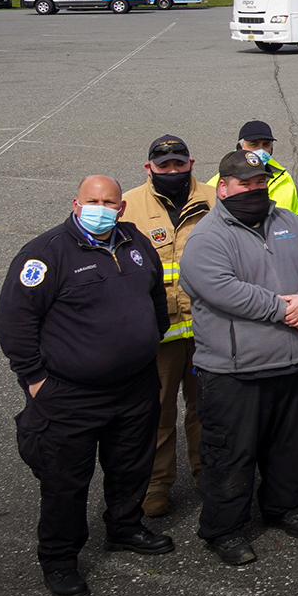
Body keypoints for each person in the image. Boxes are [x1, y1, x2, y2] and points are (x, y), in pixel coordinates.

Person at [0, 174, 172, 596]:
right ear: (76, 204)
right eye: (92, 200)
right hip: (70, 394)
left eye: (109, 201)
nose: (100, 208)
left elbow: (154, 299)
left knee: (131, 466)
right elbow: (14, 323)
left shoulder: (134, 242)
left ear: (121, 208)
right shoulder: (45, 254)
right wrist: (35, 379)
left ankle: (125, 527)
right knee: (65, 481)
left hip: (134, 387)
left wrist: (144, 342)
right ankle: (59, 559)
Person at [181, 151, 298, 565]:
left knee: (291, 445)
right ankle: (223, 529)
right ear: (224, 187)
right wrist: (280, 308)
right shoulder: (206, 236)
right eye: (245, 184)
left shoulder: (287, 222)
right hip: (235, 372)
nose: (254, 190)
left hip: (295, 362)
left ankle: (283, 507)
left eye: (259, 182)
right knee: (231, 453)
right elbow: (218, 287)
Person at [119, 134, 216, 519]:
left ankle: (207, 475)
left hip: (208, 328)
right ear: (149, 168)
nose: (172, 171)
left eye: (179, 164)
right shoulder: (129, 207)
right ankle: (157, 485)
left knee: (206, 410)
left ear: (191, 163)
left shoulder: (214, 198)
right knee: (156, 414)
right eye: (164, 166)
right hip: (159, 337)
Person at [205, 120, 298, 214]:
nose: (261, 150)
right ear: (240, 147)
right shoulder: (217, 184)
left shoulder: (284, 178)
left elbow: (296, 217)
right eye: (254, 144)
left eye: (266, 144)